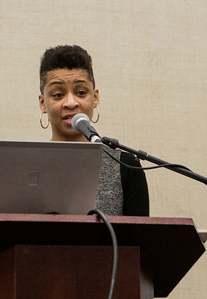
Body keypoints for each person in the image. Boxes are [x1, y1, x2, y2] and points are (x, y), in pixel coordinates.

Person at [38, 45, 149, 216]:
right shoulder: (25, 165)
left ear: (95, 98)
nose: (71, 103)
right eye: (58, 95)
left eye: (81, 92)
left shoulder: (126, 166)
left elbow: (139, 232)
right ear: (43, 103)